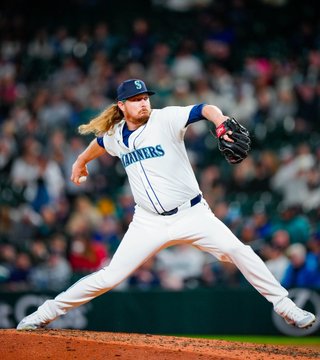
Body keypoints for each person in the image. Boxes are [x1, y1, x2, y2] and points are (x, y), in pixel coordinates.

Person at [17, 79, 316, 330]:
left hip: (193, 214)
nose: (143, 103)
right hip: (148, 222)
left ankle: (286, 306)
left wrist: (221, 121)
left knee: (239, 251)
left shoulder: (165, 118)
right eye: (135, 99)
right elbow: (99, 143)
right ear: (121, 106)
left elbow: (205, 108)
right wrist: (81, 161)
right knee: (109, 276)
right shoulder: (115, 135)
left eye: (145, 97)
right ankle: (45, 314)